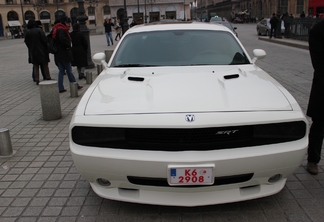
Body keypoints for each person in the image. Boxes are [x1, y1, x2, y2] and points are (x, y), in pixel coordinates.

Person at [306, 19, 324, 175]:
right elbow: (319, 63)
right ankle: (313, 159)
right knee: (319, 125)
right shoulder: (318, 30)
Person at [52, 16, 82, 93]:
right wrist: (68, 44)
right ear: (64, 23)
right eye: (68, 23)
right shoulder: (62, 29)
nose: (69, 25)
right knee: (69, 70)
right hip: (64, 53)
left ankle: (60, 87)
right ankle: (75, 85)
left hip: (58, 54)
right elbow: (62, 39)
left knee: (61, 71)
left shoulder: (56, 28)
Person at [24, 19, 52, 85]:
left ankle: (37, 79)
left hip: (33, 51)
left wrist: (30, 47)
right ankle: (47, 77)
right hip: (42, 50)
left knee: (36, 66)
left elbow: (26, 41)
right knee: (45, 65)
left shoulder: (27, 32)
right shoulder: (39, 30)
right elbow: (45, 39)